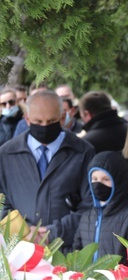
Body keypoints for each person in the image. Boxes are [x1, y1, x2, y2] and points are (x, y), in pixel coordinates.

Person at [0, 90, 95, 248]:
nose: (44, 127)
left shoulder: (83, 152)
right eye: (38, 121)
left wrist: (54, 232)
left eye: (51, 121)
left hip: (67, 250)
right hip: (18, 250)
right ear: (27, 119)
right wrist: (23, 232)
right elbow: (3, 203)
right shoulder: (6, 154)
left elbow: (90, 206)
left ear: (63, 118)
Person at [74, 151, 128, 262]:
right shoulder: (86, 217)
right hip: (87, 279)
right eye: (94, 179)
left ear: (118, 181)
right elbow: (76, 253)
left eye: (106, 179)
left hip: (120, 279)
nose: (98, 184)